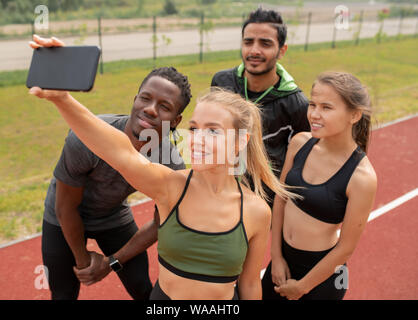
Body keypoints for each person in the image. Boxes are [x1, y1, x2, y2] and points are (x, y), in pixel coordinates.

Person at [29, 53, 298, 300]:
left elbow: (250, 284)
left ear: (240, 141)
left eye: (213, 131)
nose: (198, 140)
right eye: (195, 129)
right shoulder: (170, 186)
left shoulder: (257, 211)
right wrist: (62, 99)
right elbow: (118, 150)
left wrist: (113, 260)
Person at [29, 35, 192, 300]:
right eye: (145, 98)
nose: (151, 110)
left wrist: (112, 262)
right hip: (63, 215)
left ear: (177, 119)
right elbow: (65, 206)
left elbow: (161, 222)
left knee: (142, 287)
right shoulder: (87, 138)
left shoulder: (171, 162)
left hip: (112, 216)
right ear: (135, 99)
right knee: (63, 293)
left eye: (164, 107)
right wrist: (83, 261)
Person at [262, 71, 378, 300]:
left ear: (354, 115)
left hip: (320, 278)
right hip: (281, 264)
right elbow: (281, 199)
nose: (314, 114)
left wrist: (303, 287)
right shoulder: (299, 143)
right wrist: (276, 256)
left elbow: (346, 248)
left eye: (326, 107)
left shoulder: (362, 177)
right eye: (312, 104)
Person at [211, 8, 310, 206]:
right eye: (248, 42)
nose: (254, 50)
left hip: (264, 203)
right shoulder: (221, 82)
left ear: (282, 50)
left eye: (265, 43)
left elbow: (298, 168)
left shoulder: (297, 104)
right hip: (219, 191)